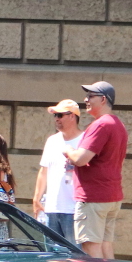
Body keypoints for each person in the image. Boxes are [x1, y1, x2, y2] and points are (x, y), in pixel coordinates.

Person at [64, 81, 127, 260]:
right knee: (106, 248)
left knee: (91, 249)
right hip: (110, 196)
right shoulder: (117, 124)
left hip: (94, 197)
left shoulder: (101, 125)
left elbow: (80, 159)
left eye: (90, 96)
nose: (86, 100)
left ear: (103, 99)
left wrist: (68, 151)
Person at [33, 99, 82, 241]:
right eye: (55, 116)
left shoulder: (85, 140)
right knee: (53, 257)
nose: (56, 119)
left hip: (75, 210)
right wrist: (37, 198)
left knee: (76, 257)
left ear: (72, 116)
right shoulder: (52, 141)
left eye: (60, 115)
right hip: (51, 209)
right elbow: (43, 172)